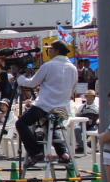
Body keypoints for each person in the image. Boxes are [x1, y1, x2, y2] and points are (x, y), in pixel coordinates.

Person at [15, 40, 78, 168]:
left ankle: (36, 152)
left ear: (56, 51)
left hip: (45, 106)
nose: (49, 52)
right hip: (63, 109)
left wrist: (19, 78)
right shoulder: (73, 68)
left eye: (51, 49)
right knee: (51, 126)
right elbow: (73, 88)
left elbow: (32, 83)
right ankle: (63, 154)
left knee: (21, 123)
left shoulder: (49, 65)